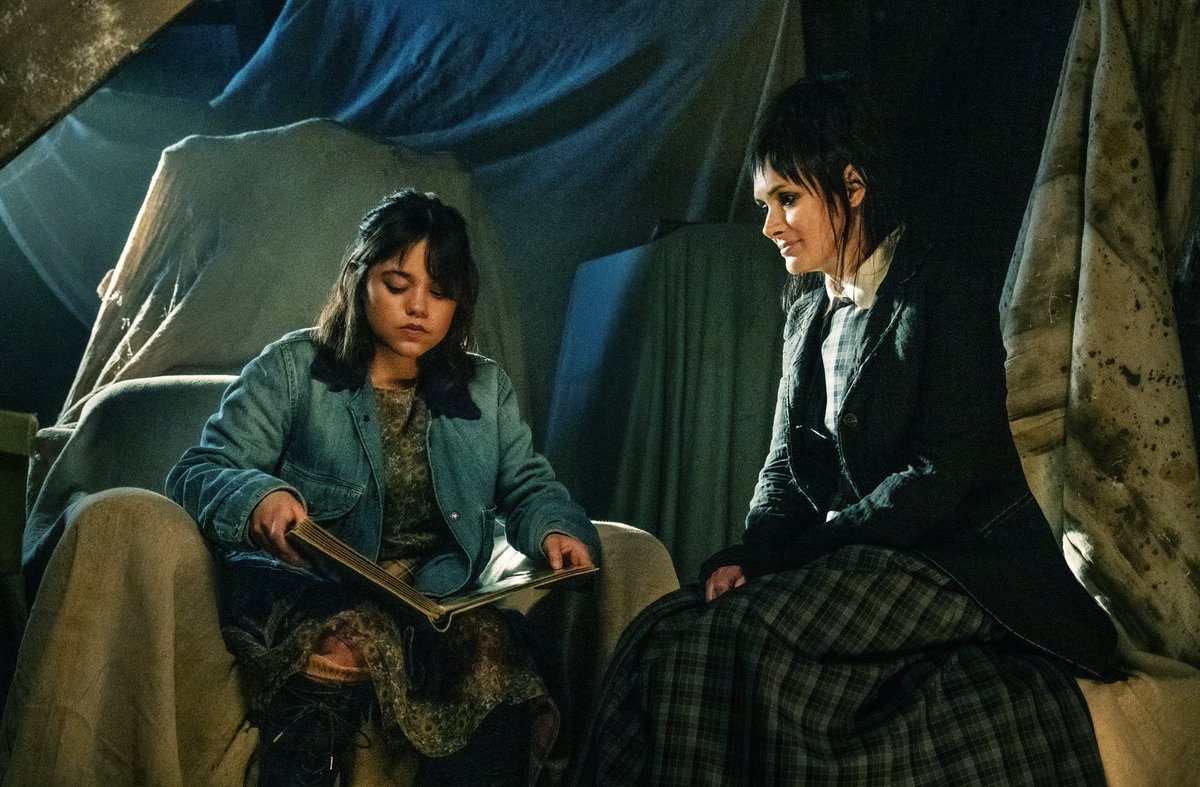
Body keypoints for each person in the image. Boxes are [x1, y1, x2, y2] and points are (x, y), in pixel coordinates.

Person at [572, 75, 1117, 785]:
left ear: (852, 186)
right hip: (856, 554)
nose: (769, 225)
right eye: (765, 204)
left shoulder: (940, 287)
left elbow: (936, 477)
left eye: (786, 199)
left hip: (952, 562)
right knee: (661, 631)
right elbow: (782, 470)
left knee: (730, 639)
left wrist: (799, 558)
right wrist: (755, 555)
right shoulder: (808, 314)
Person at [167, 188, 599, 787]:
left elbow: (529, 486)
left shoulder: (484, 389)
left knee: (492, 651)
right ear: (359, 278)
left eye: (440, 292)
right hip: (316, 589)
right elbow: (199, 469)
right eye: (398, 285)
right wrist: (258, 497)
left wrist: (554, 529)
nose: (418, 308)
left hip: (435, 599)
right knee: (344, 641)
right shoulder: (293, 369)